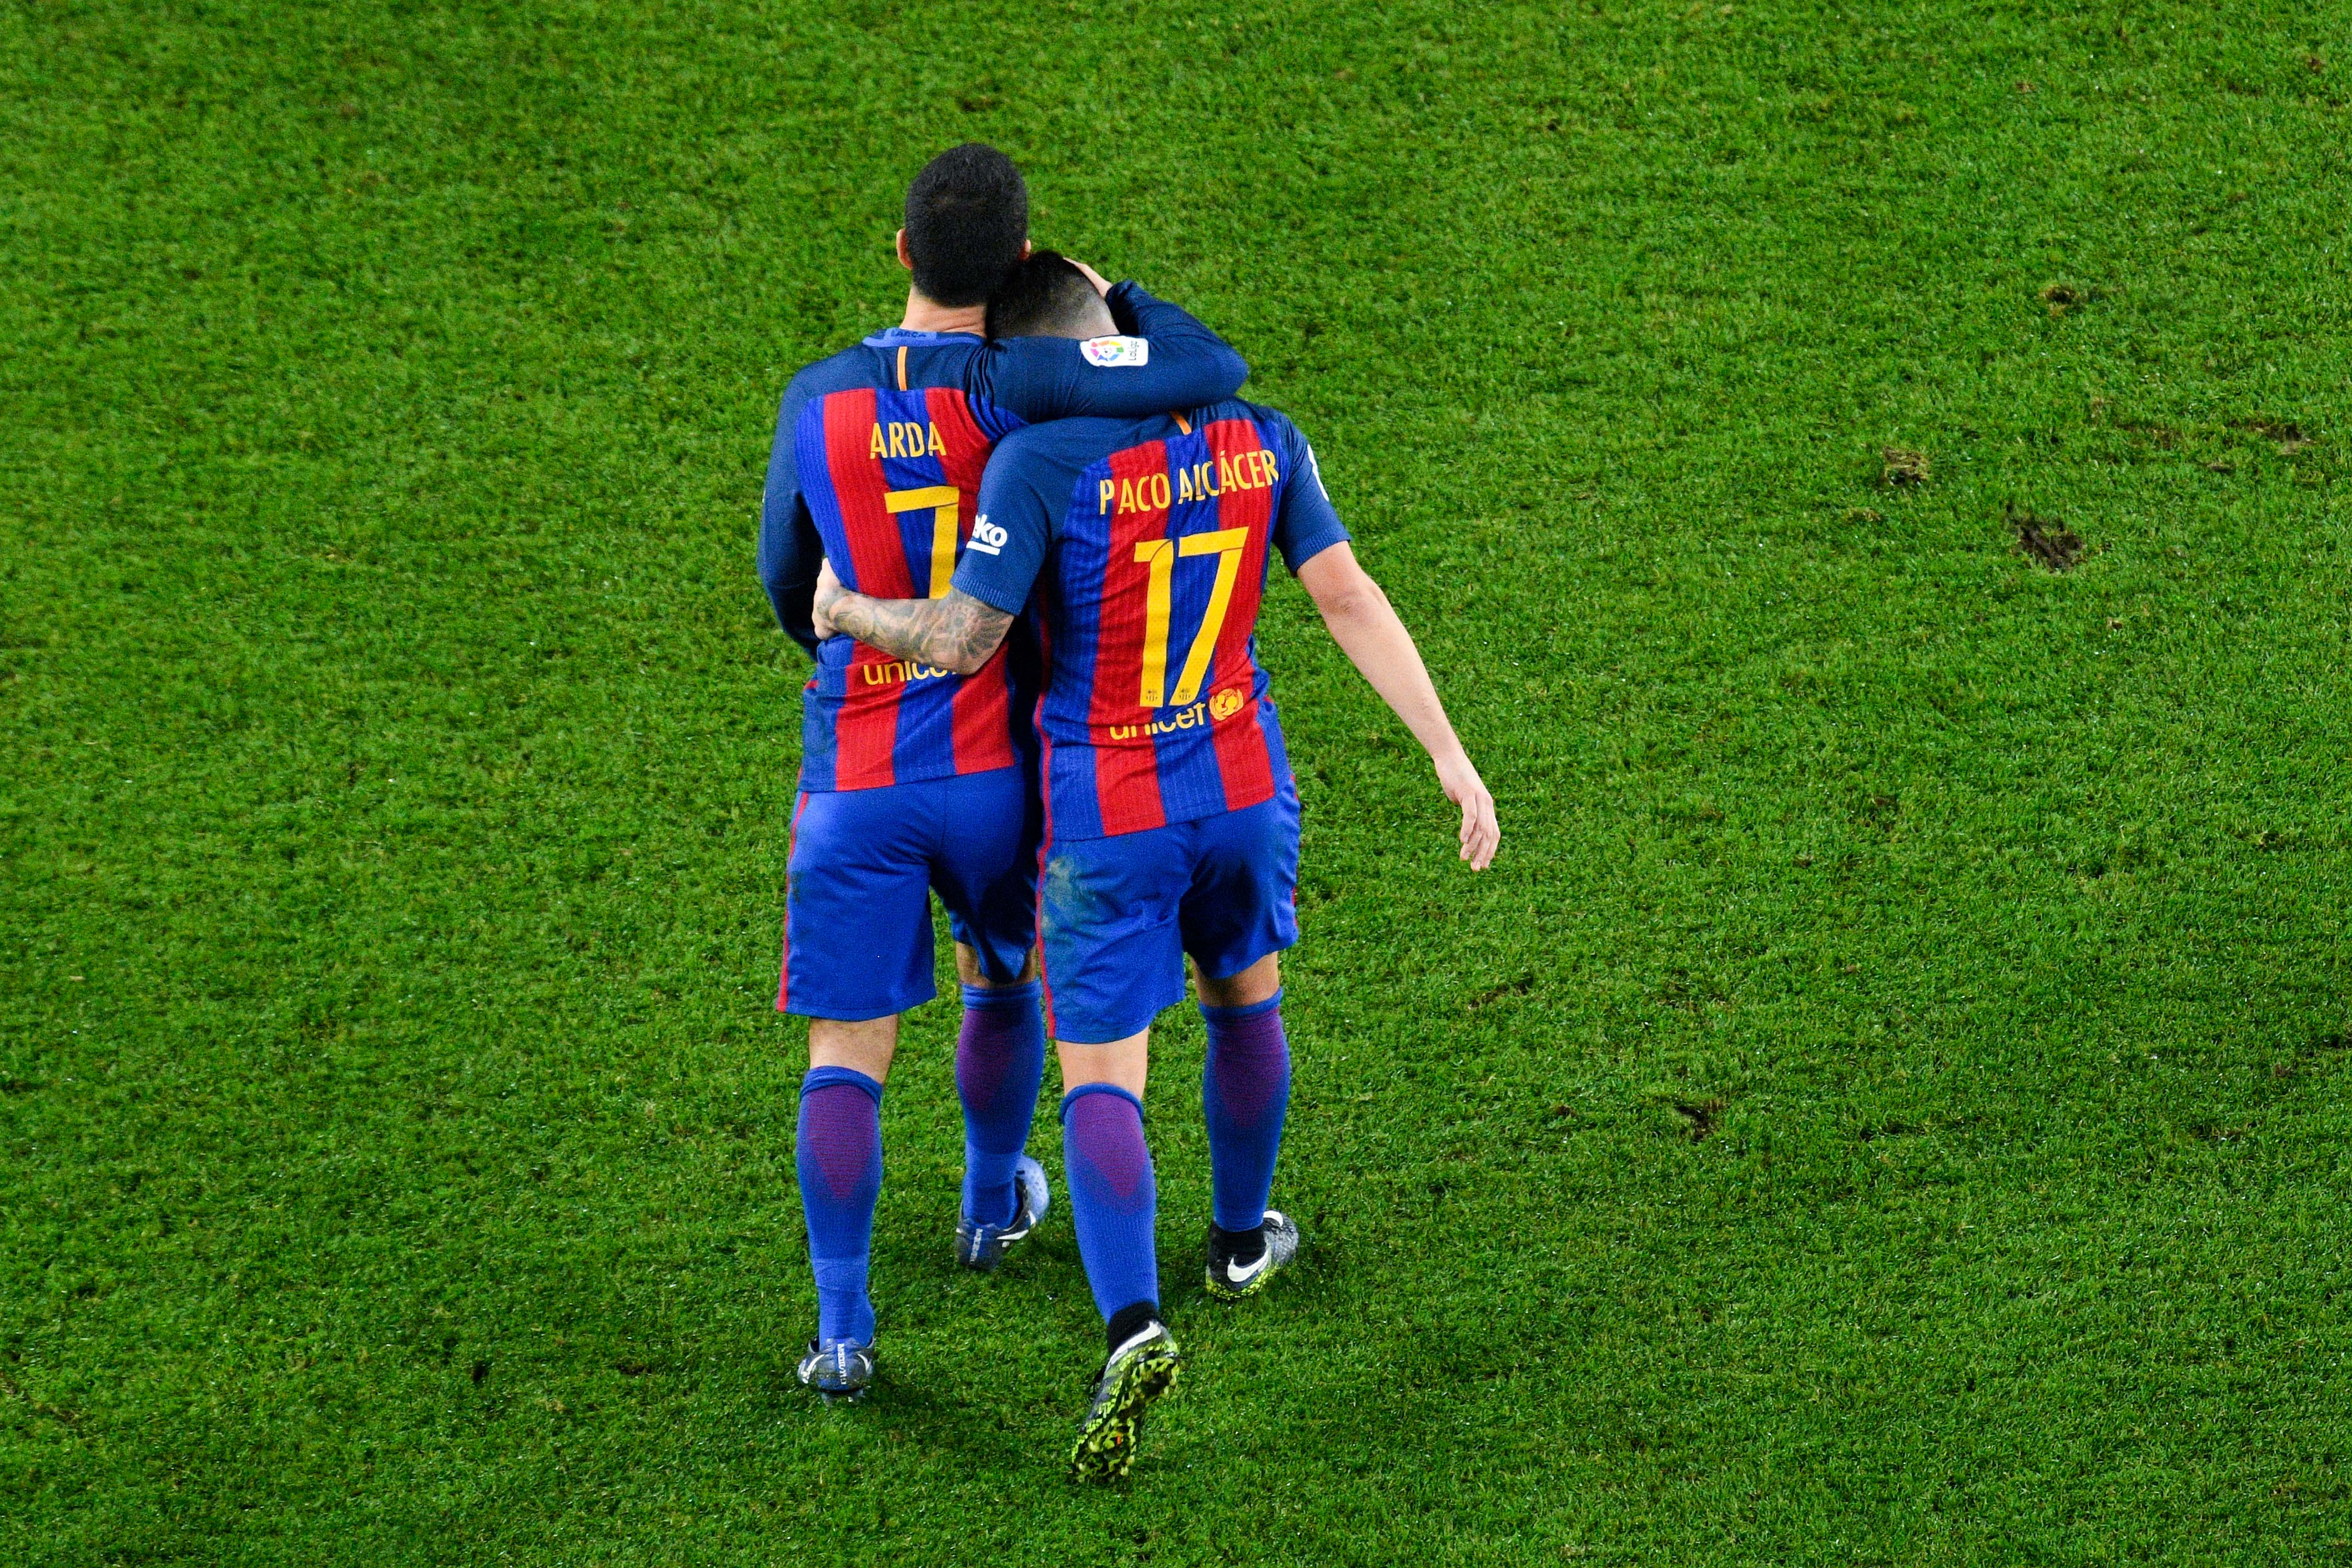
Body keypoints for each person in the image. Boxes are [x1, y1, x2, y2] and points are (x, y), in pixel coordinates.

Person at [811, 252, 1498, 1475]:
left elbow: (964, 642)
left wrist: (847, 611)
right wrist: (1449, 754)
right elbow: (1346, 596)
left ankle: (1133, 1325)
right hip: (1239, 780)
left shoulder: (1041, 463)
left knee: (1104, 1081)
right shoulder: (1259, 433)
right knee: (1249, 997)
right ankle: (1240, 1242)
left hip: (1109, 808)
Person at [758, 148, 1252, 1404]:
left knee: (845, 1049)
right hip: (1002, 770)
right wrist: (1113, 289)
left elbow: (785, 584)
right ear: (1025, 261)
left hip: (857, 773)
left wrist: (846, 628)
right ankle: (991, 1203)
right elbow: (1203, 371)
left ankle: (843, 1330)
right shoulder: (1028, 387)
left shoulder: (816, 397)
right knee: (1004, 981)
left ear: (901, 250)